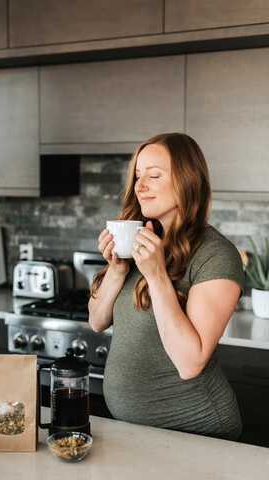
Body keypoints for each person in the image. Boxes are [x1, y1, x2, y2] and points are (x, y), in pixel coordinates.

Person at [88, 132, 244, 441]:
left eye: (154, 175)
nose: (140, 186)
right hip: (136, 434)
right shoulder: (139, 239)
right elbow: (96, 320)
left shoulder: (215, 255)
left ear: (187, 181)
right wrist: (118, 271)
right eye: (137, 175)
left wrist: (157, 276)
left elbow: (190, 363)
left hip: (197, 432)